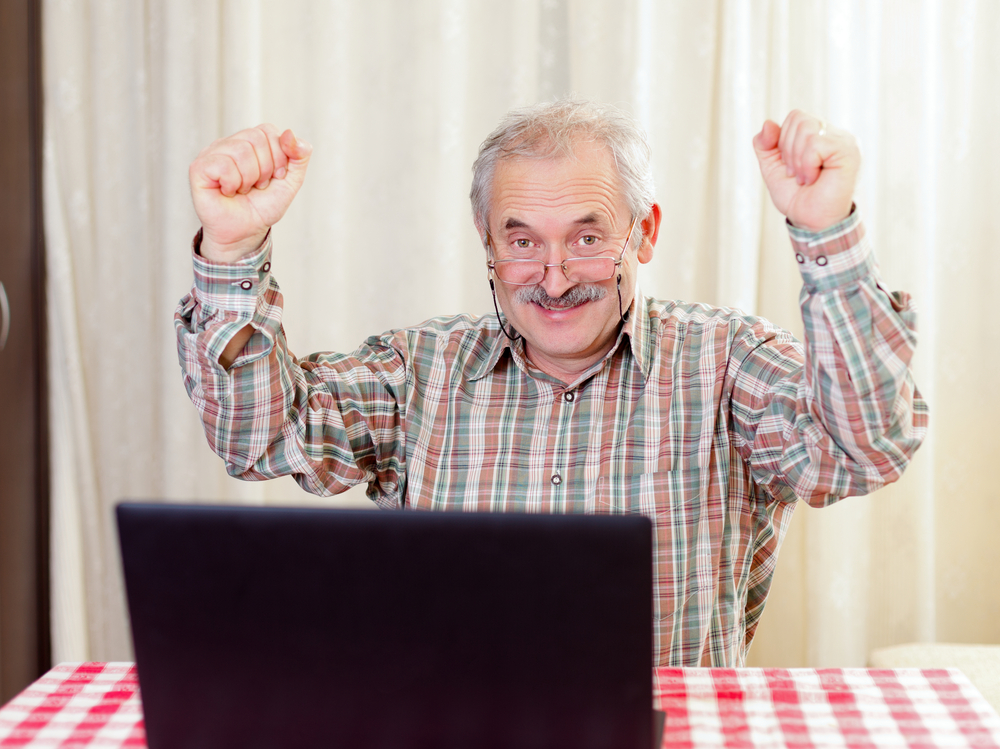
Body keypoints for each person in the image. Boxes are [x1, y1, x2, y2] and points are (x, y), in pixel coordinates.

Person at [176, 100, 927, 667]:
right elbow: (261, 435)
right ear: (488, 244)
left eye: (588, 237)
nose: (556, 277)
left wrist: (826, 234)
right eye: (523, 241)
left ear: (645, 232)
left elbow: (864, 449)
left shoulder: (729, 362)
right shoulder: (419, 370)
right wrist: (234, 247)